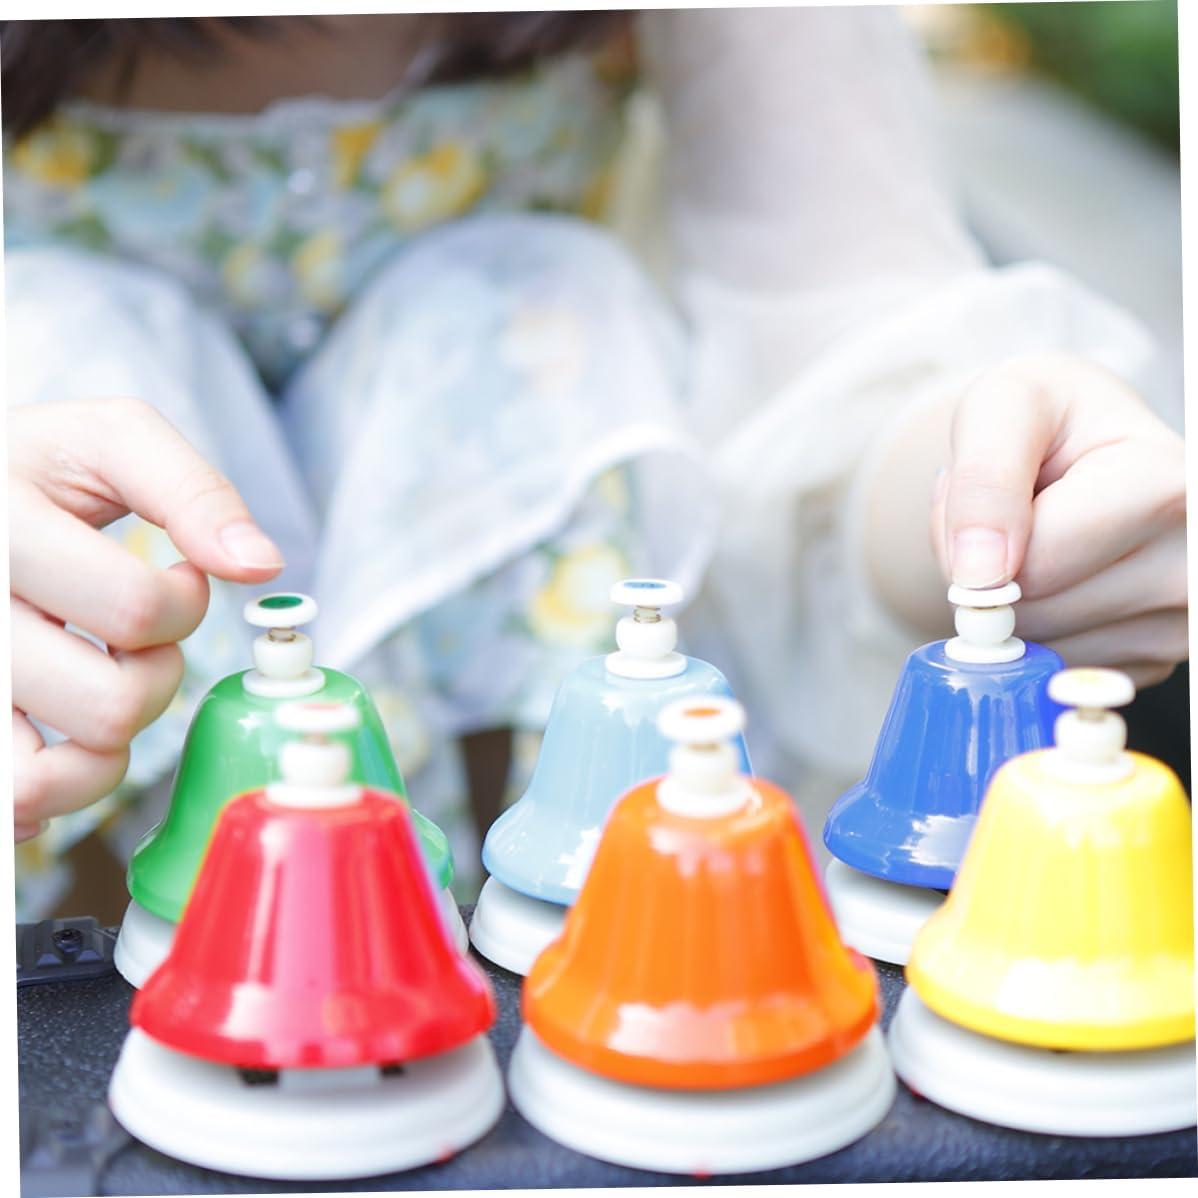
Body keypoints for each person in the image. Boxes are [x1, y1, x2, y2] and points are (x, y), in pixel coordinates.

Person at [5, 9, 1186, 917]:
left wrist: (985, 509)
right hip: (72, 776)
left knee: (536, 301)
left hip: (525, 630)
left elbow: (835, 338)